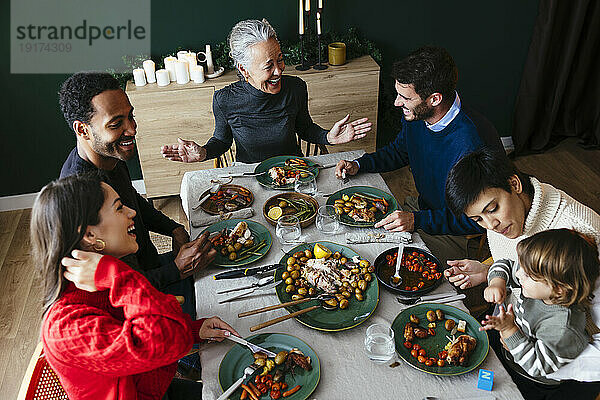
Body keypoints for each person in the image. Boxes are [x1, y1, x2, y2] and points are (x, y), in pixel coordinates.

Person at [32, 173, 238, 400]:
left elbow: (163, 337)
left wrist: (193, 330)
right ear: (90, 234)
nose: (131, 212)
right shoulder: (67, 326)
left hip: (155, 388)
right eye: (119, 208)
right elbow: (168, 342)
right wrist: (116, 275)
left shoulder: (103, 280)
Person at [58, 72, 214, 318]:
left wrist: (174, 228)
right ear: (83, 129)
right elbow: (115, 292)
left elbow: (133, 199)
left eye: (130, 116)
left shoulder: (108, 154)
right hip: (139, 305)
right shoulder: (81, 195)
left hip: (151, 267)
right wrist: (176, 270)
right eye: (116, 123)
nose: (131, 129)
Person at [444, 147, 600, 385]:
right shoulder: (505, 218)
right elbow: (524, 269)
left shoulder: (583, 232)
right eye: (478, 220)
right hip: (511, 324)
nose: (491, 225)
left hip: (553, 366)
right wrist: (488, 271)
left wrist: (527, 352)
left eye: (492, 209)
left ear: (514, 184)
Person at [334, 46, 495, 264]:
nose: (397, 103)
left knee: (380, 260)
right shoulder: (418, 116)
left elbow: (478, 220)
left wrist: (416, 220)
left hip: (454, 233)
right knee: (352, 238)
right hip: (421, 210)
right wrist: (360, 165)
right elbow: (400, 151)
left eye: (405, 98)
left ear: (434, 99)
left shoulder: (473, 144)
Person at [160, 19, 372, 164]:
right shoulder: (225, 100)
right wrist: (204, 152)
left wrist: (329, 138)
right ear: (244, 69)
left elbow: (305, 128)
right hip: (248, 175)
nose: (279, 71)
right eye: (268, 66)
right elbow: (222, 141)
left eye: (280, 59)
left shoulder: (296, 88)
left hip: (295, 169)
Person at [480, 229, 600, 399]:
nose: (519, 274)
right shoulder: (538, 286)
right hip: (509, 355)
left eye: (528, 274)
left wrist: (509, 330)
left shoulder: (563, 329)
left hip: (532, 380)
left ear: (558, 289)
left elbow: (537, 365)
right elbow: (506, 265)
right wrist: (497, 282)